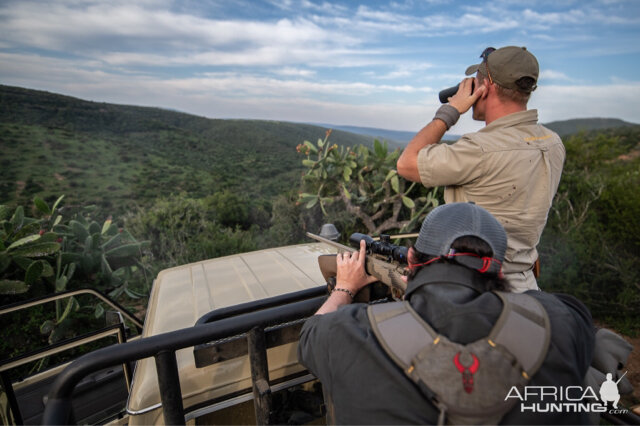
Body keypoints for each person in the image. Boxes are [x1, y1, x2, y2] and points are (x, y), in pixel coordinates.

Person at [298, 203, 594, 425]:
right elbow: (550, 309)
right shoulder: (560, 320)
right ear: (499, 271)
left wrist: (346, 288)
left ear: (411, 259)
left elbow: (310, 333)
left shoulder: (349, 334)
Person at [396, 46, 565, 292]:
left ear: (488, 87)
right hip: (526, 284)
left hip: (477, 287)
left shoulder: (479, 149)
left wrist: (451, 109)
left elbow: (406, 163)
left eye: (476, 81)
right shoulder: (552, 142)